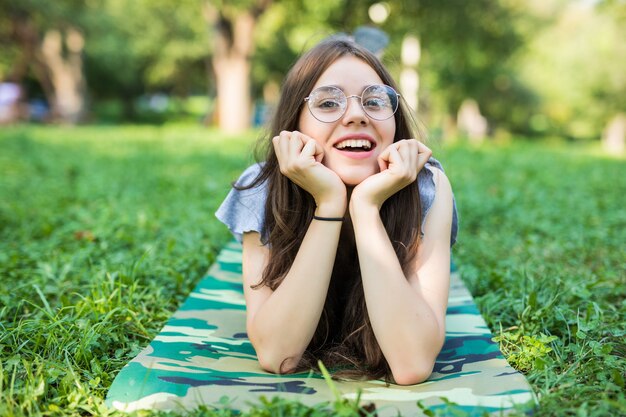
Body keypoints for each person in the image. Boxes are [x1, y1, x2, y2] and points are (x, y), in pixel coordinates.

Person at [216, 37, 458, 385]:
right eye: (329, 103)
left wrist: (365, 208)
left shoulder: (426, 188)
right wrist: (329, 204)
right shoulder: (263, 188)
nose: (357, 115)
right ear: (294, 123)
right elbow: (277, 355)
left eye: (374, 101)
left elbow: (412, 363)